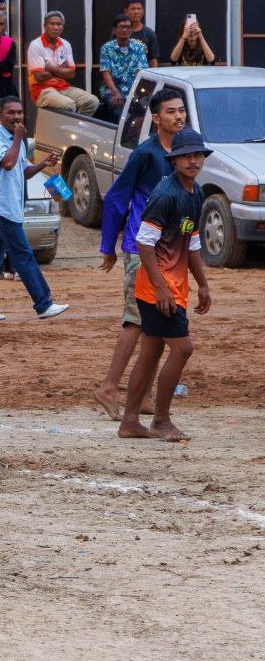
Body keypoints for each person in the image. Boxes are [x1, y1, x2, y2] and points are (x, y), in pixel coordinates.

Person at [94, 87, 184, 420]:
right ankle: (109, 387)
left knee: (156, 323)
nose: (178, 116)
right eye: (171, 111)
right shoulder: (146, 153)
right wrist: (108, 245)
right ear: (156, 118)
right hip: (139, 246)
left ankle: (144, 394)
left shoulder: (184, 151)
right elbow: (118, 196)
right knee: (135, 320)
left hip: (169, 251)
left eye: (181, 110)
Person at [118, 128, 213, 442]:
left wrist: (202, 284)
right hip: (158, 288)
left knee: (151, 351)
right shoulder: (166, 194)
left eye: (197, 155)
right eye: (187, 156)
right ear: (174, 160)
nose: (193, 161)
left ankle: (130, 422)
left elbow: (192, 241)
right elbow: (144, 243)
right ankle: (160, 420)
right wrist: (160, 288)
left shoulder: (195, 193)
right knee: (183, 348)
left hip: (171, 287)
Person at [0, 98, 68, 321]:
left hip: (7, 207)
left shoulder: (17, 141)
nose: (16, 117)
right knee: (23, 256)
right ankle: (43, 304)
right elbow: (7, 164)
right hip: (1, 208)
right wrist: (18, 139)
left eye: (20, 112)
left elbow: (23, 172)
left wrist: (43, 164)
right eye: (11, 113)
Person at [27, 11, 98, 115]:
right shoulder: (36, 45)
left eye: (59, 24)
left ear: (63, 27)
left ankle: (75, 125)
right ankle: (69, 125)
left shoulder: (66, 44)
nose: (55, 27)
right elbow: (39, 77)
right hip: (42, 90)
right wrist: (61, 69)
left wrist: (51, 68)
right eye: (52, 24)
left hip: (63, 87)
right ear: (45, 26)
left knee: (92, 101)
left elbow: (71, 74)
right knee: (69, 105)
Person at [99, 14, 149, 120]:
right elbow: (106, 72)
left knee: (148, 109)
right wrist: (115, 92)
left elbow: (141, 71)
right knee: (118, 109)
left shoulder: (139, 47)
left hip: (134, 91)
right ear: (114, 30)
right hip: (113, 91)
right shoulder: (107, 48)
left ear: (131, 30)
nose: (125, 30)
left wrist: (134, 93)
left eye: (128, 27)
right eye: (121, 27)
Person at [125, 0, 159, 67]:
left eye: (139, 9)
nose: (136, 12)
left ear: (143, 12)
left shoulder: (150, 34)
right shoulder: (120, 32)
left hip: (142, 72)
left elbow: (153, 60)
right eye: (133, 9)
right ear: (126, 11)